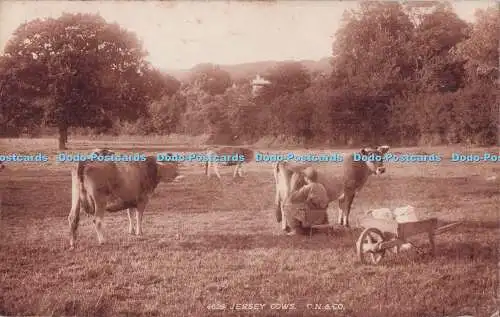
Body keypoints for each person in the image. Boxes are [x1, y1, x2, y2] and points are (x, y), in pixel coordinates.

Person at [283, 167, 330, 235]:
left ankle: (296, 230)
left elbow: (292, 198)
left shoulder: (308, 187)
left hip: (310, 217)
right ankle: (312, 229)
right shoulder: (321, 186)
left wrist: (294, 186)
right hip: (321, 216)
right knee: (305, 206)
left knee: (287, 207)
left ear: (306, 178)